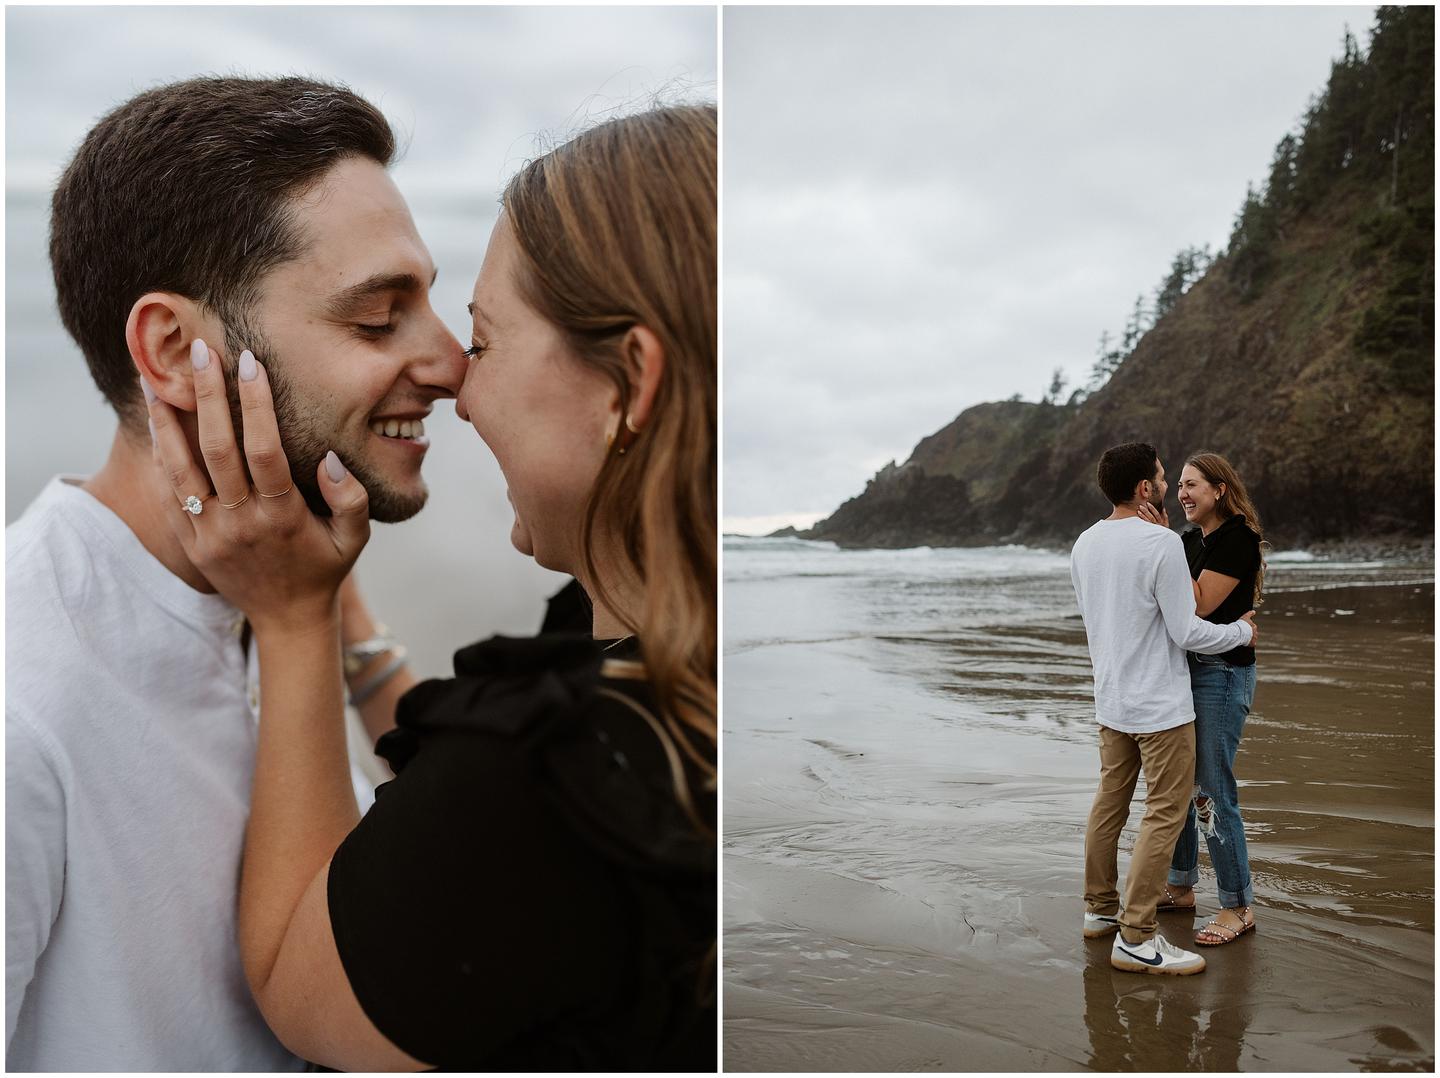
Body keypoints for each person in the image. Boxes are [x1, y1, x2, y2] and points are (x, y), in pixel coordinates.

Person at [145, 103, 718, 1070]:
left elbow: (299, 975)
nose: (454, 372)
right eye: (378, 318)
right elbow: (457, 811)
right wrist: (354, 637)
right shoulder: (661, 654)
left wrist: (292, 618)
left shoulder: (565, 781)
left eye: (486, 341)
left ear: (628, 386)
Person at [6, 76, 462, 1070]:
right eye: (379, 320)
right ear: (175, 351)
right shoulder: (21, 708)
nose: (451, 362)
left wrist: (333, 629)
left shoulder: (275, 591)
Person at [1069, 443, 1257, 976]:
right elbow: (1186, 629)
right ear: (1145, 488)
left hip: (1111, 698)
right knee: (1166, 812)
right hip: (1160, 704)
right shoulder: (1162, 544)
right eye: (1162, 477)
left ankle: (1100, 912)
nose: (1170, 484)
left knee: (1109, 805)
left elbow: (1097, 618)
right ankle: (1136, 937)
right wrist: (1241, 631)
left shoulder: (1085, 543)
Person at [1137, 453, 1264, 946]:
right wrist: (1169, 542)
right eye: (1181, 485)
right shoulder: (1190, 541)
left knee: (1212, 789)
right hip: (1186, 672)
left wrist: (1163, 541)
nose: (1183, 494)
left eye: (1192, 485)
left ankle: (1237, 905)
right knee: (1182, 785)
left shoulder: (1237, 539)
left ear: (1220, 489)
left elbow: (1199, 605)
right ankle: (1179, 886)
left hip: (1223, 675)